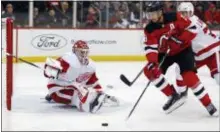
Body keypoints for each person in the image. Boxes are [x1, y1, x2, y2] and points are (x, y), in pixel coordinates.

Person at [143, 1, 218, 116]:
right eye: (149, 15)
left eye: (153, 14)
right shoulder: (149, 29)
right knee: (149, 70)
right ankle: (173, 95)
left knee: (188, 76)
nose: (151, 17)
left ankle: (208, 104)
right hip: (165, 53)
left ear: (160, 12)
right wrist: (153, 61)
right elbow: (150, 47)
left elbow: (192, 28)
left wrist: (181, 39)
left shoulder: (175, 16)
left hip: (183, 50)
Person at [43, 40, 119, 113]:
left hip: (73, 88)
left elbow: (93, 82)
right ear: (74, 51)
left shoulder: (90, 66)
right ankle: (89, 105)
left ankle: (93, 98)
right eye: (81, 52)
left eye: (86, 52)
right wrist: (53, 71)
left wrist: (100, 93)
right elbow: (47, 72)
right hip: (58, 89)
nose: (84, 55)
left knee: (82, 90)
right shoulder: (67, 59)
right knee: (79, 94)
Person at [173, 2, 220, 100]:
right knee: (180, 69)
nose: (184, 15)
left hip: (212, 50)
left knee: (218, 77)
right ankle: (182, 95)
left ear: (191, 12)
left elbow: (182, 39)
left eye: (186, 12)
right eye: (182, 13)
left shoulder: (193, 22)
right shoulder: (184, 22)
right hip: (199, 54)